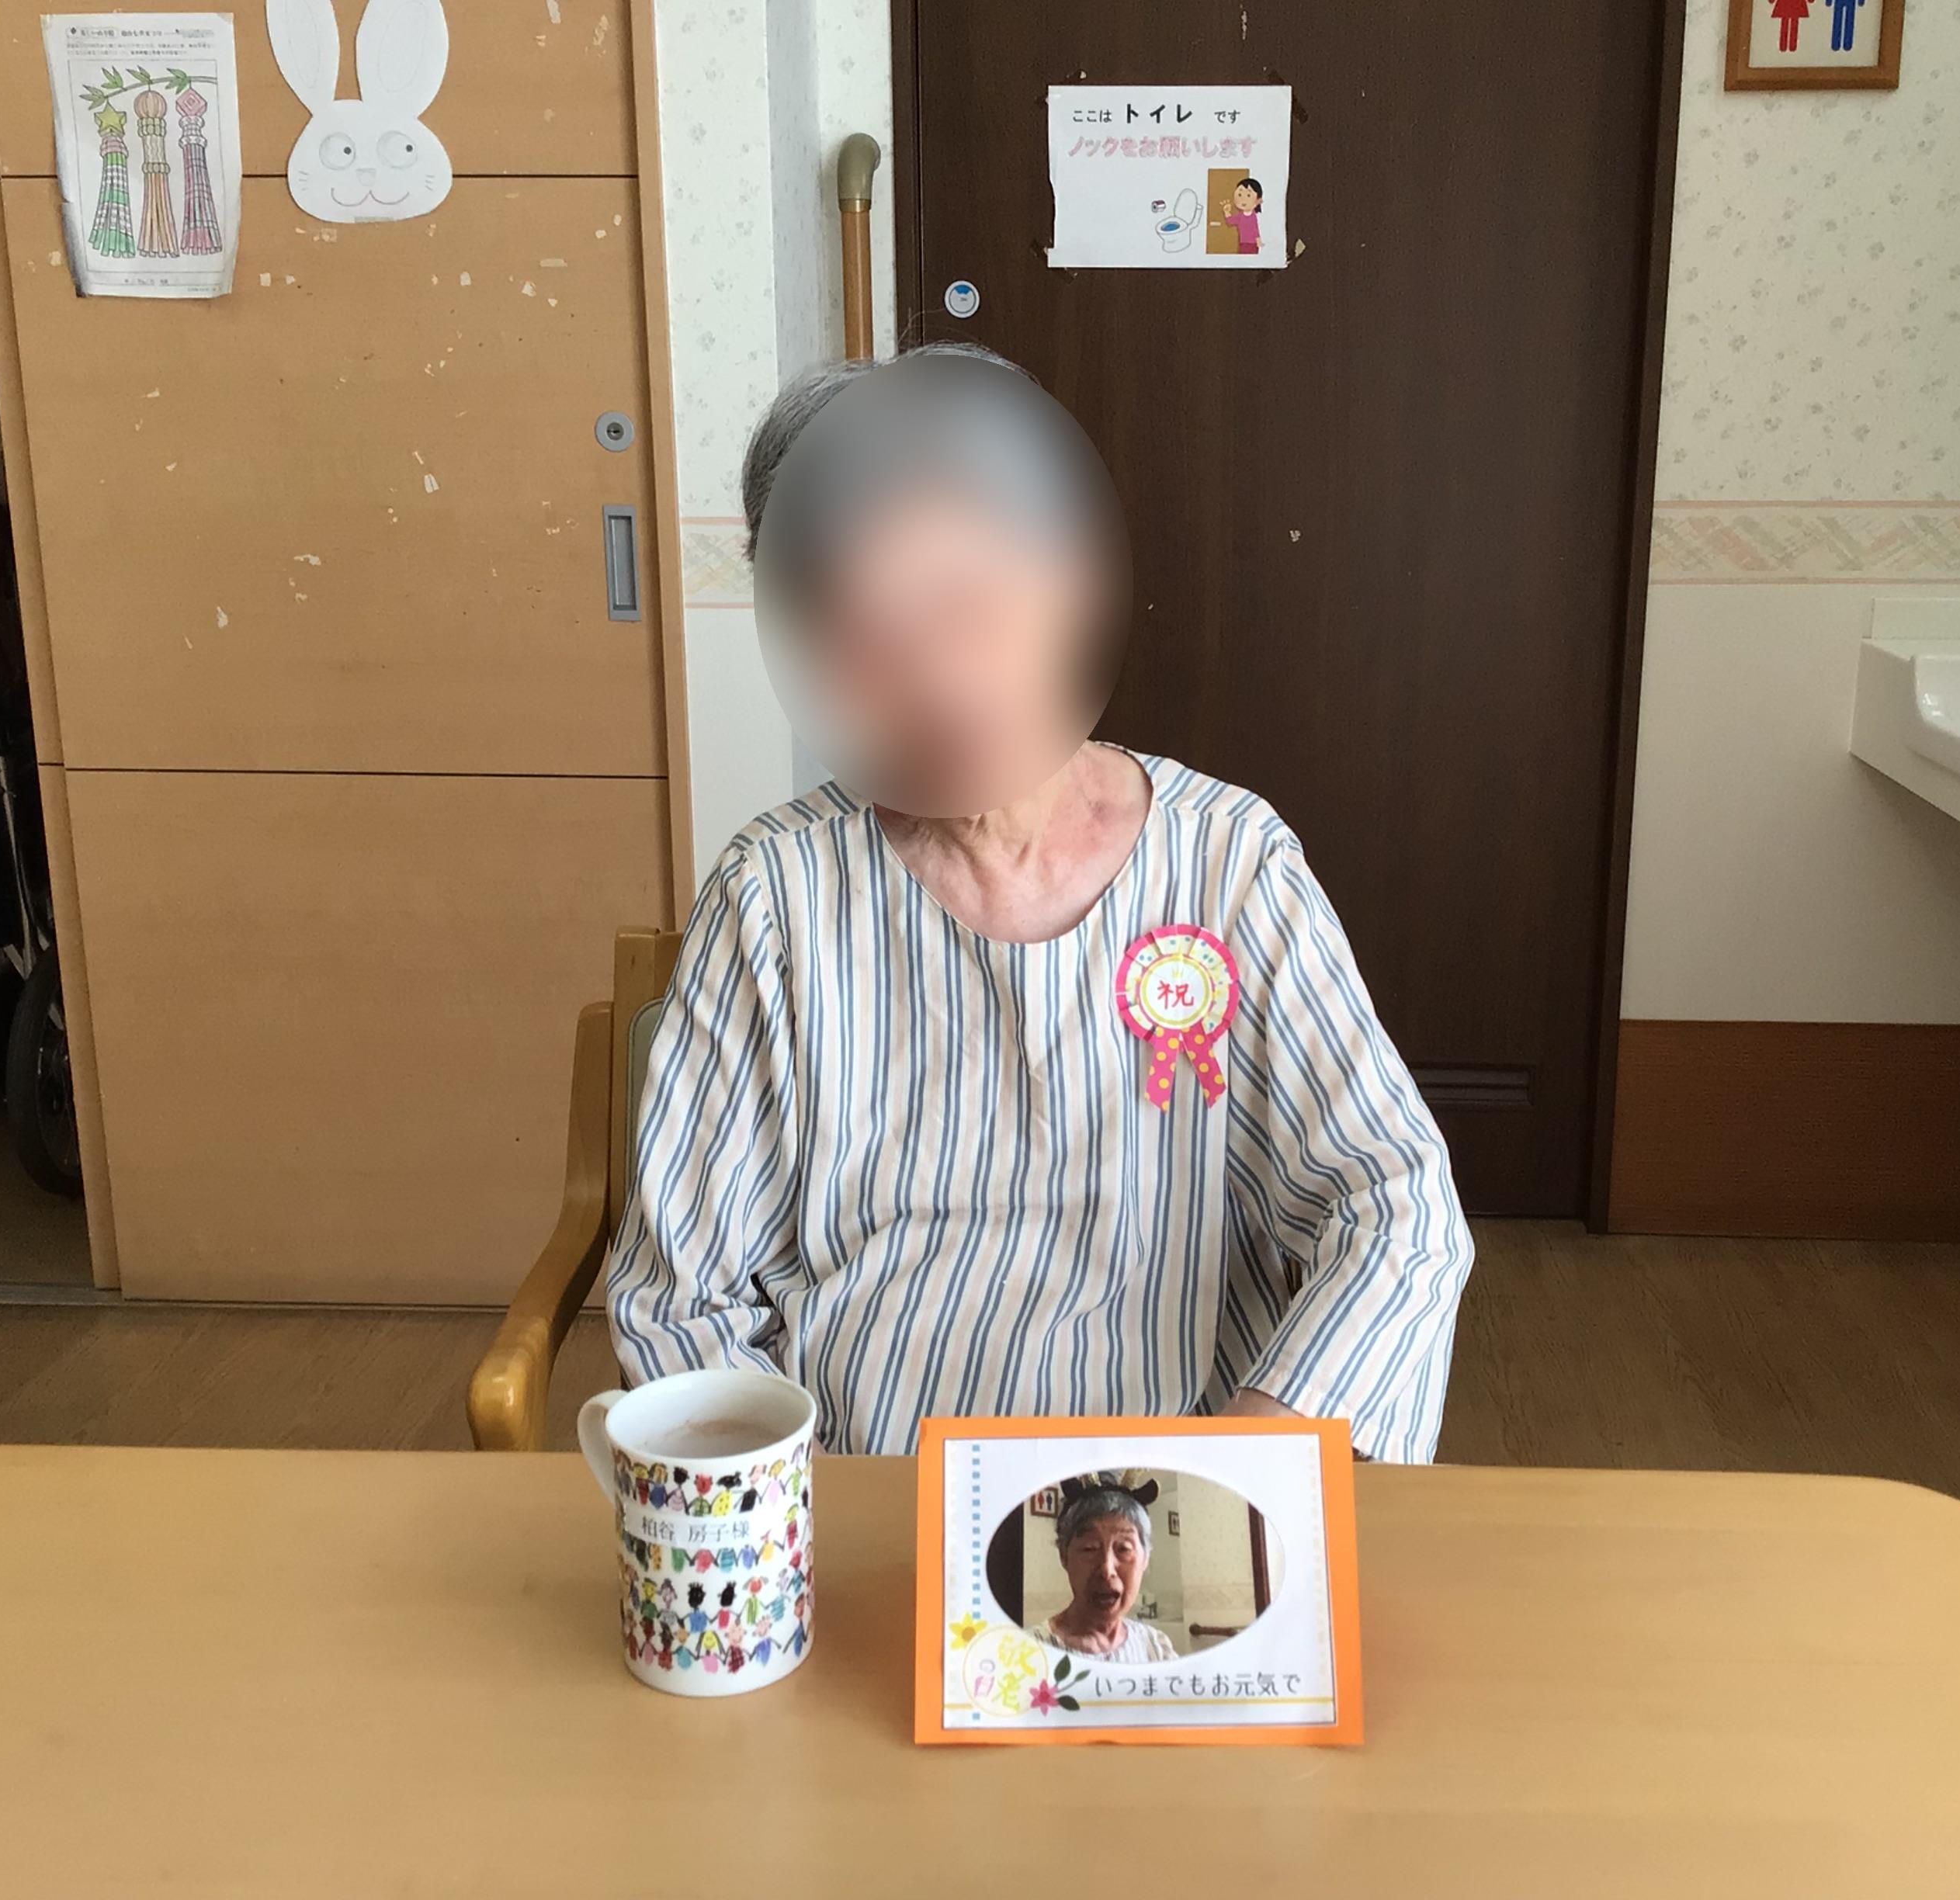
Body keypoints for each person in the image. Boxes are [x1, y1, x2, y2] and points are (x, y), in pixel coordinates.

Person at [603, 344, 1473, 1462]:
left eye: (972, 605)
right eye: (875, 634)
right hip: (869, 1484)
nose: (941, 681)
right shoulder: (775, 897)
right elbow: (679, 1299)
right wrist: (804, 1512)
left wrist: (1247, 1468)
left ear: (1068, 585)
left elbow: (1394, 1208)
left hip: (1181, 1486)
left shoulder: (1229, 863)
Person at [1035, 1481, 1180, 1662]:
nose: (1107, 1569)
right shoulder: (1030, 1652)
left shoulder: (1155, 1647)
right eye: (1090, 1548)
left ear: (1145, 1559)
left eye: (1124, 1549)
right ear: (1064, 1556)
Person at [1221, 177, 1264, 255]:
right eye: (1240, 195)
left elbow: (1255, 229)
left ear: (1258, 200)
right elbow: (1230, 221)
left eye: (1248, 195)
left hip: (1253, 244)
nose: (1243, 199)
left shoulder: (1253, 216)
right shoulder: (1240, 216)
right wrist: (1227, 212)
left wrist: (1258, 240)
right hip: (1243, 243)